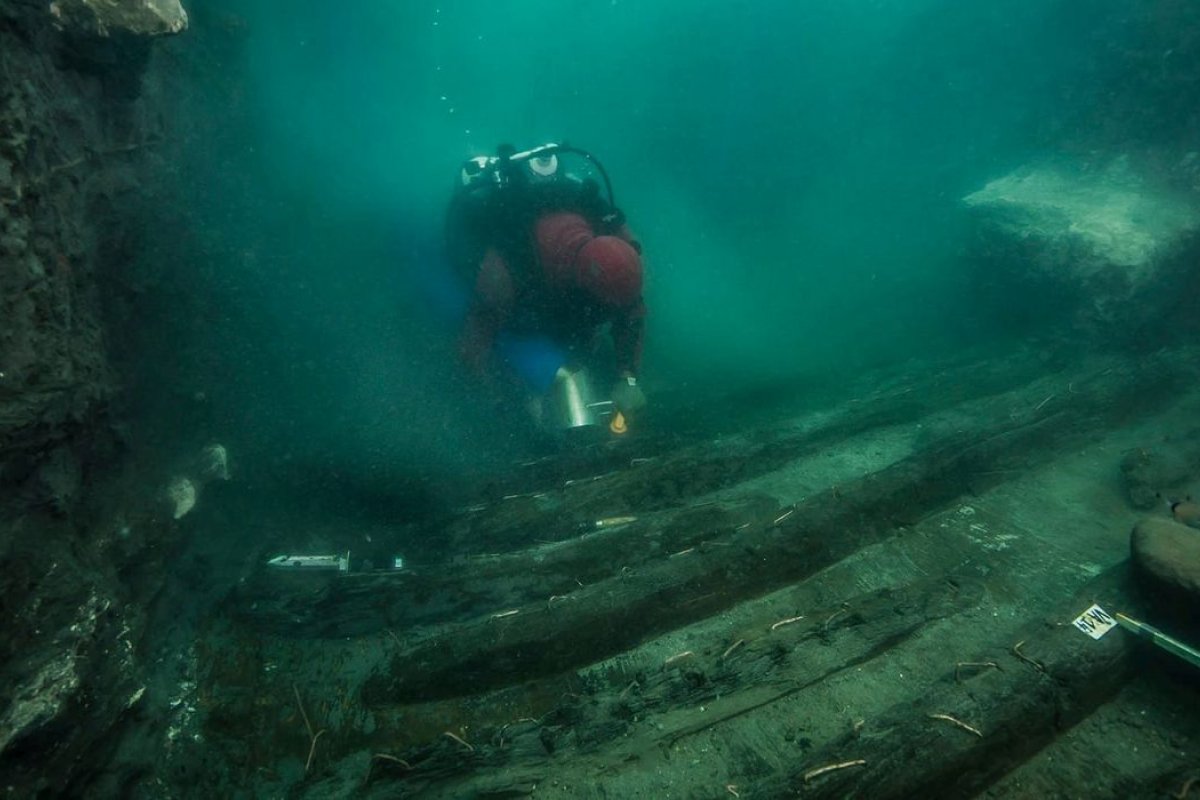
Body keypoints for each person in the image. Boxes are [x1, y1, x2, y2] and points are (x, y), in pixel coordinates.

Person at [446, 143, 647, 431]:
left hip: (555, 296)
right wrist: (499, 403)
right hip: (524, 301)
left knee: (577, 341)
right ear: (585, 292)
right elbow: (470, 351)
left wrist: (628, 378)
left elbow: (632, 310)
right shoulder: (506, 270)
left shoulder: (618, 245)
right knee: (522, 336)